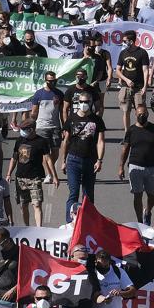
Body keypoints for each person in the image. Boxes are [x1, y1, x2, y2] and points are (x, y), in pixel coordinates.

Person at [60, 93, 106, 223]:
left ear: (91, 102)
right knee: (73, 192)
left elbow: (101, 141)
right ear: (78, 102)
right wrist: (63, 161)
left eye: (86, 101)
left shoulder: (97, 120)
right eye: (81, 101)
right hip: (73, 160)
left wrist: (99, 160)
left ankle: (88, 223)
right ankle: (70, 223)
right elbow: (66, 141)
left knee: (88, 195)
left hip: (90, 161)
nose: (84, 104)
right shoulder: (71, 119)